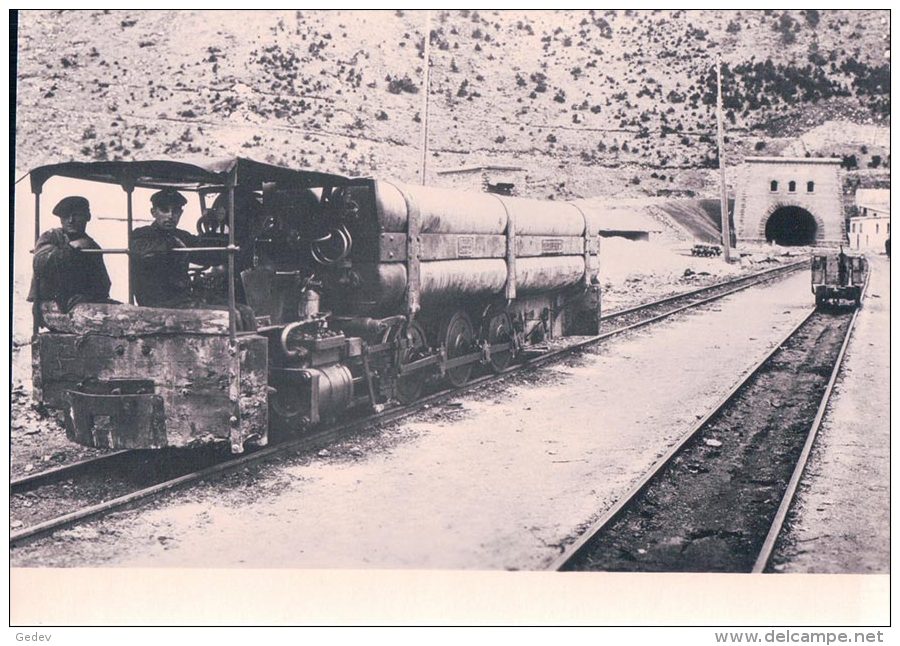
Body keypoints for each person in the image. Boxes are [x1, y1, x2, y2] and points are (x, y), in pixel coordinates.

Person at [131, 188, 256, 329]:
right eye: (164, 210)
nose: (171, 216)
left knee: (245, 311)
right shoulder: (141, 235)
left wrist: (235, 246)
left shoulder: (181, 235)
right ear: (153, 212)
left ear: (181, 213)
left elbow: (205, 255)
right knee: (232, 315)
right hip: (158, 303)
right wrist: (172, 245)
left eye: (176, 211)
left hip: (182, 299)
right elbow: (142, 251)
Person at [28, 196, 112, 312]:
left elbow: (103, 284)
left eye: (76, 215)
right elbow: (41, 264)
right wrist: (72, 247)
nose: (71, 220)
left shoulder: (91, 246)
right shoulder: (52, 237)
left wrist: (87, 296)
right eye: (66, 216)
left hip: (78, 305)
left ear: (87, 217)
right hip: (49, 305)